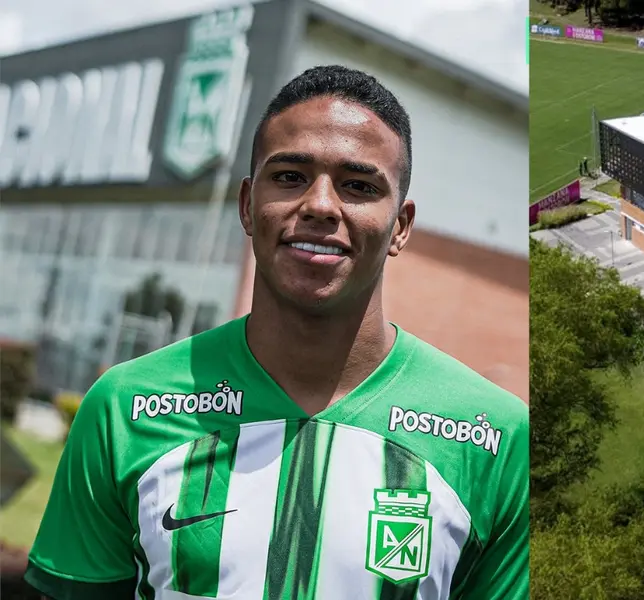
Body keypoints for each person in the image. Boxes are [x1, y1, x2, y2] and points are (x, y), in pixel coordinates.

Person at [23, 65, 529, 600]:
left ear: (400, 226)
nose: (319, 205)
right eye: (289, 176)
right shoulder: (125, 408)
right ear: (247, 205)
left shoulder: (497, 438)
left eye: (358, 186)